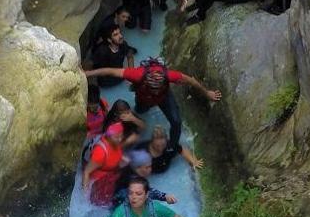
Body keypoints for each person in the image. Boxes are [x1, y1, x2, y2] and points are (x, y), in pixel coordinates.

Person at [84, 58, 220, 151]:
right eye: (153, 88)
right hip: (144, 98)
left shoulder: (170, 76)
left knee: (176, 121)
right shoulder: (137, 75)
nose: (155, 91)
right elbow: (111, 71)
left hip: (164, 98)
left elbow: (190, 80)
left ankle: (171, 146)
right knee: (141, 111)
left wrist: (207, 92)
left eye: (157, 88)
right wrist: (88, 73)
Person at [105, 176, 197, 217]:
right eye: (131, 193)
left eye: (138, 194)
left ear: (147, 195)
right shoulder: (122, 212)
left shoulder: (154, 208)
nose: (133, 197)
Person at [82, 122, 128, 206]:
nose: (120, 139)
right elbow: (86, 172)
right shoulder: (100, 152)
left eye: (121, 136)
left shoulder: (115, 143)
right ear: (109, 136)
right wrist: (86, 196)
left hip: (111, 175)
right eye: (116, 137)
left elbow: (116, 155)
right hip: (98, 183)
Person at [111, 150, 176, 206]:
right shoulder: (133, 179)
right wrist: (164, 196)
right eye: (147, 167)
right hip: (120, 203)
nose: (150, 169)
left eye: (150, 166)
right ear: (138, 168)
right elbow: (147, 192)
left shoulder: (130, 169)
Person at [135, 125, 204, 173]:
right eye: (157, 145)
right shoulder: (142, 152)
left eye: (163, 145)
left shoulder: (169, 146)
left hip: (165, 165)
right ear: (152, 142)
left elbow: (182, 149)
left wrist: (193, 161)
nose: (161, 148)